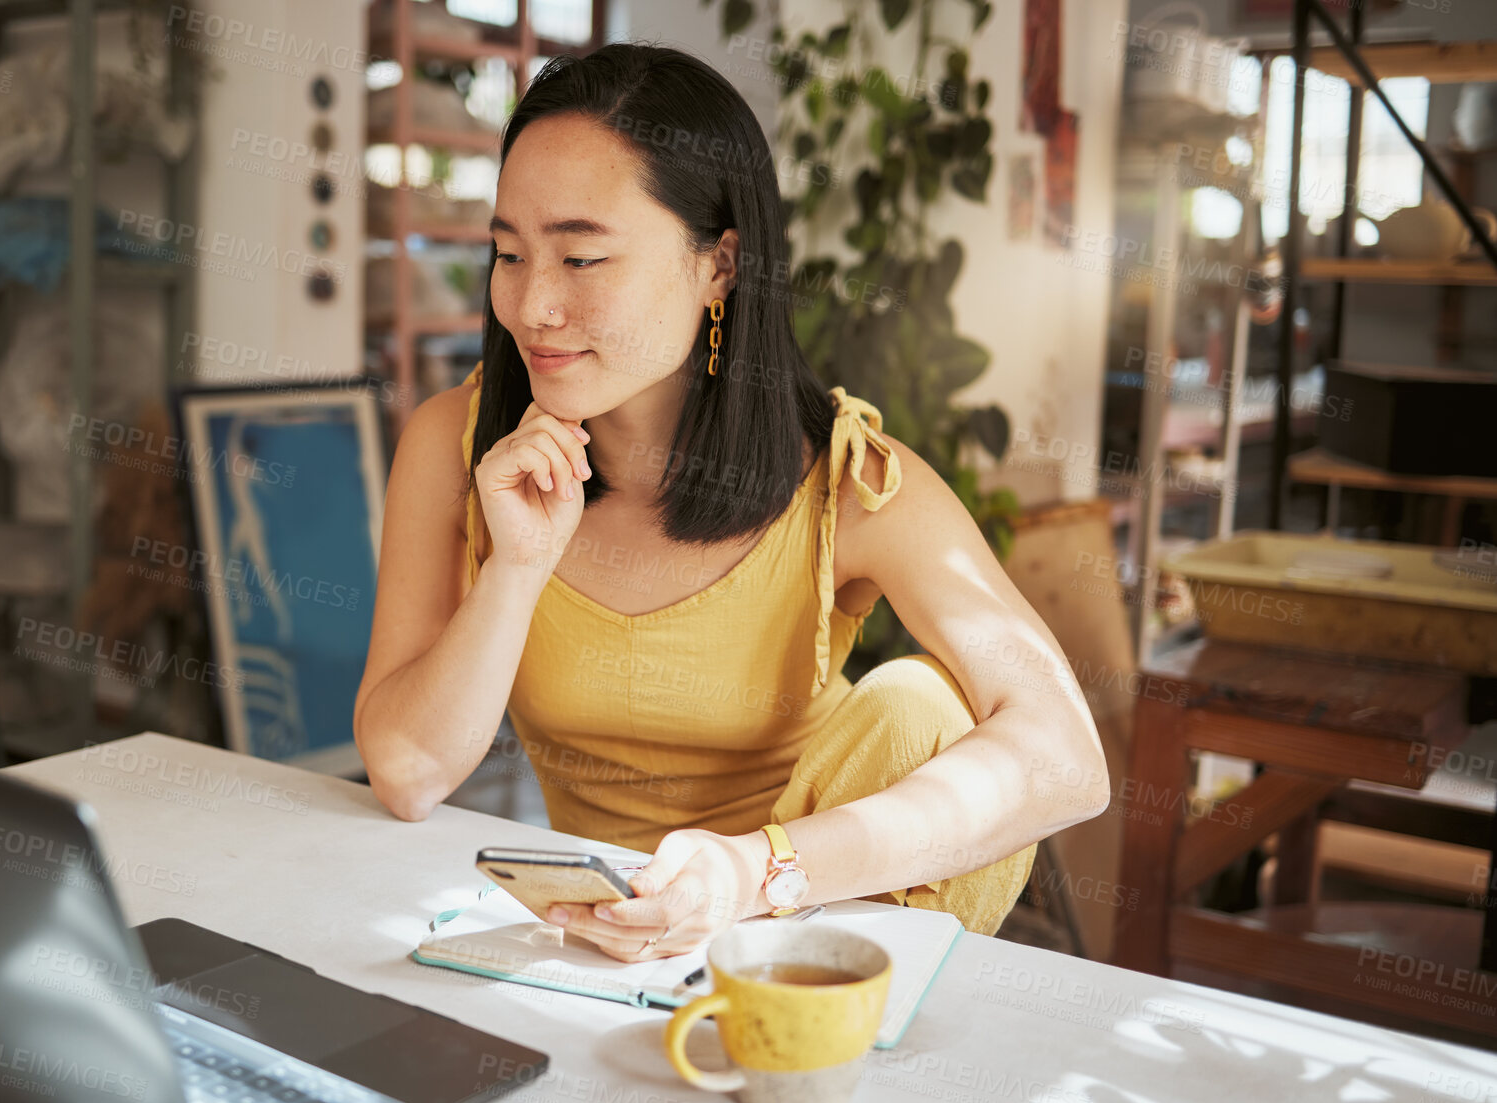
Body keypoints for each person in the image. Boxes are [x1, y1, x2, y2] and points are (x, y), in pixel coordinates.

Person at [354, 43, 1108, 962]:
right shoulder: (458, 445)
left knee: (918, 705)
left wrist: (750, 873)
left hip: (804, 932)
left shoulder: (848, 483)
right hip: (594, 944)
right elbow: (405, 772)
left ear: (720, 266)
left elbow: (1068, 758)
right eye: (508, 254)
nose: (531, 305)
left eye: (583, 257)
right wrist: (515, 568)